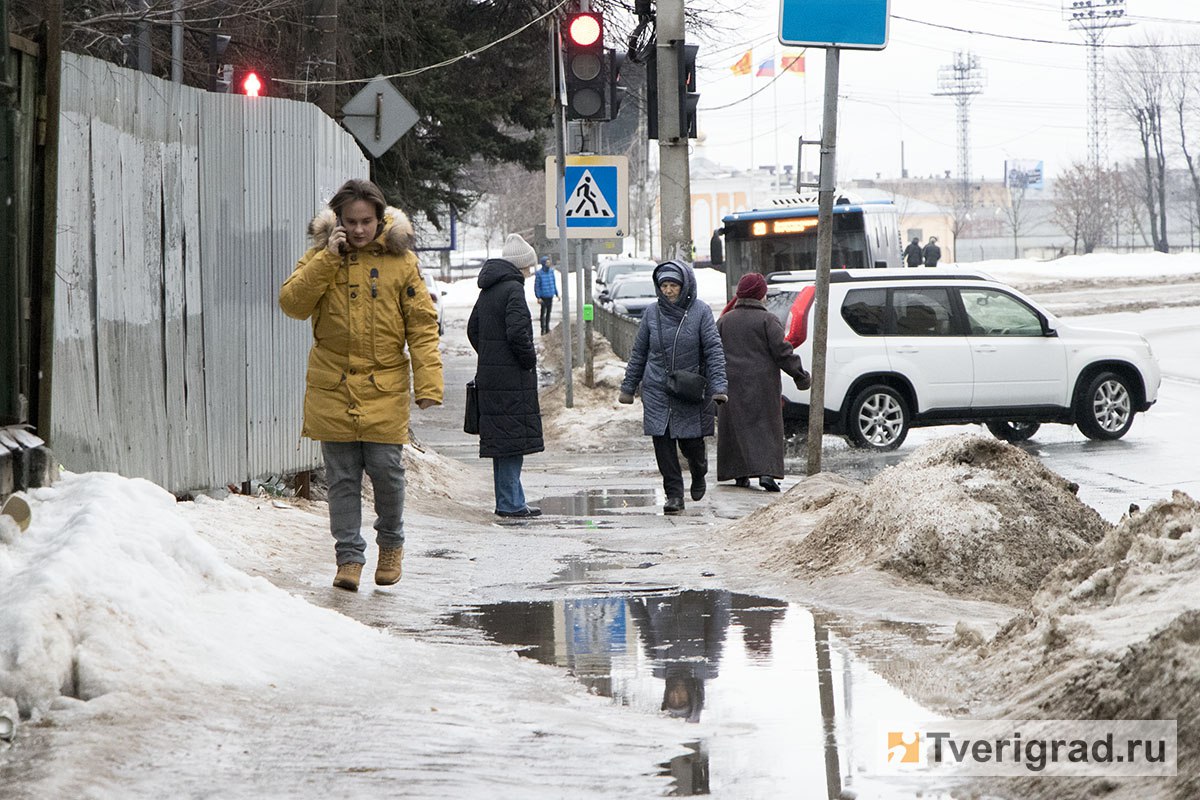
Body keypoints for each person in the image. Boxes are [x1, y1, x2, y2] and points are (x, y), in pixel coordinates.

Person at [279, 178, 443, 592]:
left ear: (380, 218)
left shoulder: (400, 261)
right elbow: (292, 304)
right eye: (350, 221)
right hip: (331, 385)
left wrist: (428, 382)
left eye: (366, 221)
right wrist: (326, 260)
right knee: (342, 479)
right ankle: (348, 558)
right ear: (337, 221)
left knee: (387, 472)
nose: (358, 230)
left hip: (383, 384)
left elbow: (422, 325)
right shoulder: (320, 256)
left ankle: (391, 543)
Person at [619, 260, 728, 515]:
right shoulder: (651, 313)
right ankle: (674, 495)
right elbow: (639, 352)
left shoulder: (700, 312)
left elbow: (714, 350)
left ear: (685, 286)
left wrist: (719, 386)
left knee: (691, 444)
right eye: (664, 285)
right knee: (663, 443)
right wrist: (629, 386)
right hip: (657, 388)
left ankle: (699, 470)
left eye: (673, 286)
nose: (668, 290)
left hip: (690, 389)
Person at [468, 234, 545, 518]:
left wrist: (489, 356)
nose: (530, 271)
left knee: (502, 443)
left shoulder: (488, 290)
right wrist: (527, 360)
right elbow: (517, 333)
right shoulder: (513, 289)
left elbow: (472, 329)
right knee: (512, 442)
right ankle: (511, 503)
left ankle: (510, 500)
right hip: (512, 379)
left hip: (491, 377)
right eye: (528, 266)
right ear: (520, 265)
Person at [716, 273, 810, 492]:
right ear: (760, 294)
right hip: (763, 386)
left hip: (732, 385)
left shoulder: (724, 321)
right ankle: (767, 473)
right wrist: (800, 376)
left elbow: (712, 353)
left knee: (735, 428)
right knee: (764, 427)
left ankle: (738, 473)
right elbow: (783, 352)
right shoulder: (768, 320)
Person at [533, 256, 558, 335]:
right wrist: (538, 296)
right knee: (543, 312)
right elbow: (537, 286)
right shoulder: (539, 273)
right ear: (543, 263)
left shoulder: (551, 272)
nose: (549, 264)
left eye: (549, 262)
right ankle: (542, 328)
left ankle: (547, 327)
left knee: (548, 312)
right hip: (543, 296)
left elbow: (553, 283)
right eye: (547, 262)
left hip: (550, 295)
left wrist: (556, 293)